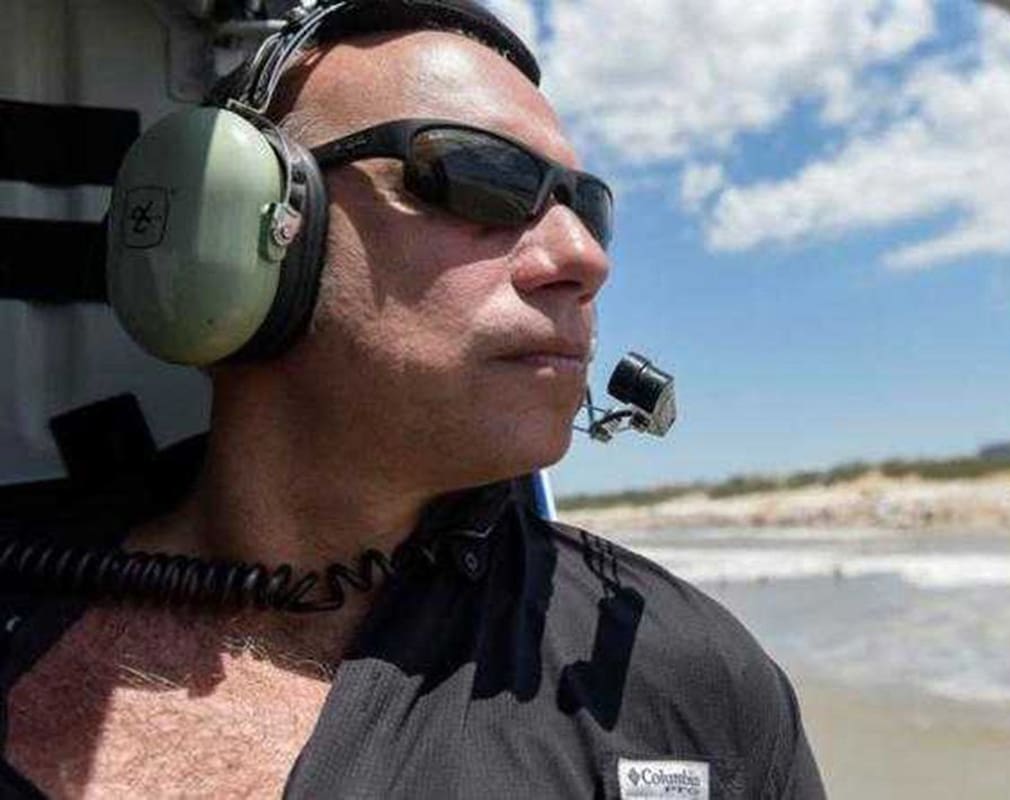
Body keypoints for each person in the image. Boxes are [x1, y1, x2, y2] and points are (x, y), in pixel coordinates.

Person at [0, 2, 825, 797]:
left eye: (588, 211)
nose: (584, 257)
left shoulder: (695, 682)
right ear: (234, 226)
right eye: (482, 177)